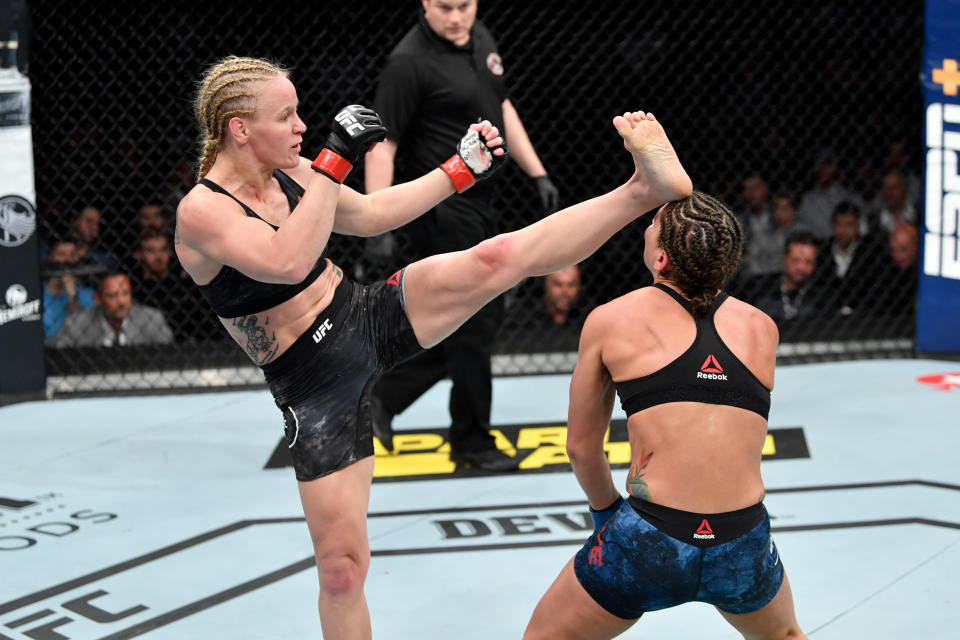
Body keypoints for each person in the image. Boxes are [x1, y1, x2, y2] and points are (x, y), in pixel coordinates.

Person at [174, 55, 691, 639]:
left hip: (363, 316)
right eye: (287, 116)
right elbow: (286, 261)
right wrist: (335, 160)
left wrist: (456, 171)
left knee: (496, 258)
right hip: (313, 387)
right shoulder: (202, 211)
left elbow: (368, 215)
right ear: (240, 128)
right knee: (342, 570)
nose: (301, 127)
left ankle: (641, 191)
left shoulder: (293, 176)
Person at [523, 193, 807, 640]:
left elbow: (580, 448)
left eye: (652, 223)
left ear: (660, 257)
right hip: (742, 540)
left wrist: (606, 516)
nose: (645, 227)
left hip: (652, 538)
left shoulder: (610, 320)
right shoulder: (761, 327)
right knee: (785, 634)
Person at [364, 0, 559, 467]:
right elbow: (381, 143)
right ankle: (471, 440)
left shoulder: (481, 38)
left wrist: (537, 172)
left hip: (479, 203)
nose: (457, 17)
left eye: (465, 6)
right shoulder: (407, 63)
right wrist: (377, 218)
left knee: (475, 321)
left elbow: (501, 101)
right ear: (426, 5)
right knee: (474, 322)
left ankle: (381, 399)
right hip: (440, 206)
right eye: (446, 7)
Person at [53, 271, 174, 347]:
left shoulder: (151, 319)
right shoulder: (76, 325)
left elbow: (168, 357)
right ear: (98, 299)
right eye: (112, 296)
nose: (121, 302)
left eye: (125, 293)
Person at [497, 264, 592, 353]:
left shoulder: (587, 315)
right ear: (546, 284)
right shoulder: (525, 317)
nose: (565, 291)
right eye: (558, 284)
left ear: (579, 287)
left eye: (571, 285)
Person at [750, 229, 823, 324]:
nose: (801, 267)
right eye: (795, 260)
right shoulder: (759, 289)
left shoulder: (822, 295)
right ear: (785, 259)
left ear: (815, 264)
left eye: (808, 262)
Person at [42, 238, 97, 341]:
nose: (67, 260)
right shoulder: (36, 294)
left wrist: (71, 294)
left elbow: (84, 332)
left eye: (72, 255)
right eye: (62, 254)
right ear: (50, 258)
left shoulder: (88, 296)